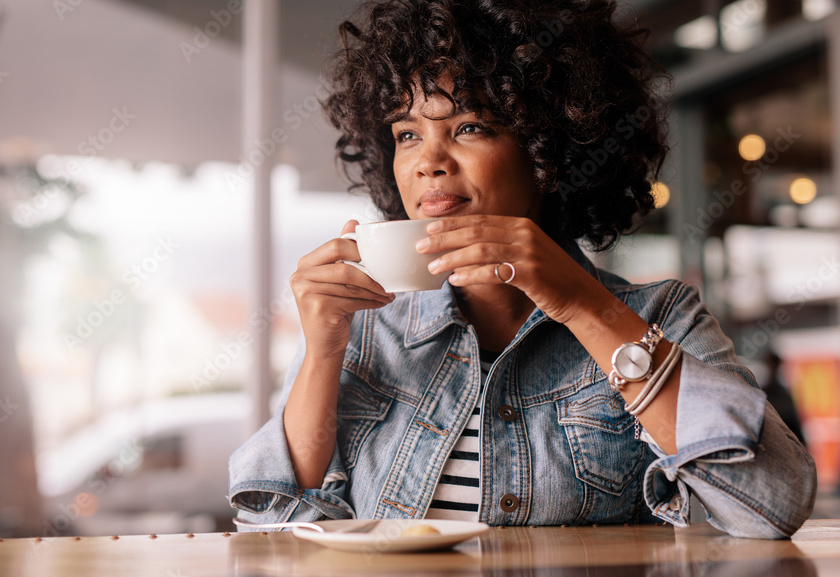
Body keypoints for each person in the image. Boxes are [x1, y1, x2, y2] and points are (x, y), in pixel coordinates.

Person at [228, 0, 816, 538]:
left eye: (469, 128)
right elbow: (272, 530)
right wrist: (324, 350)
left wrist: (583, 304)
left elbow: (772, 505)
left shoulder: (660, 317)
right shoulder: (362, 328)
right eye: (407, 134)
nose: (428, 162)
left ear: (549, 151)